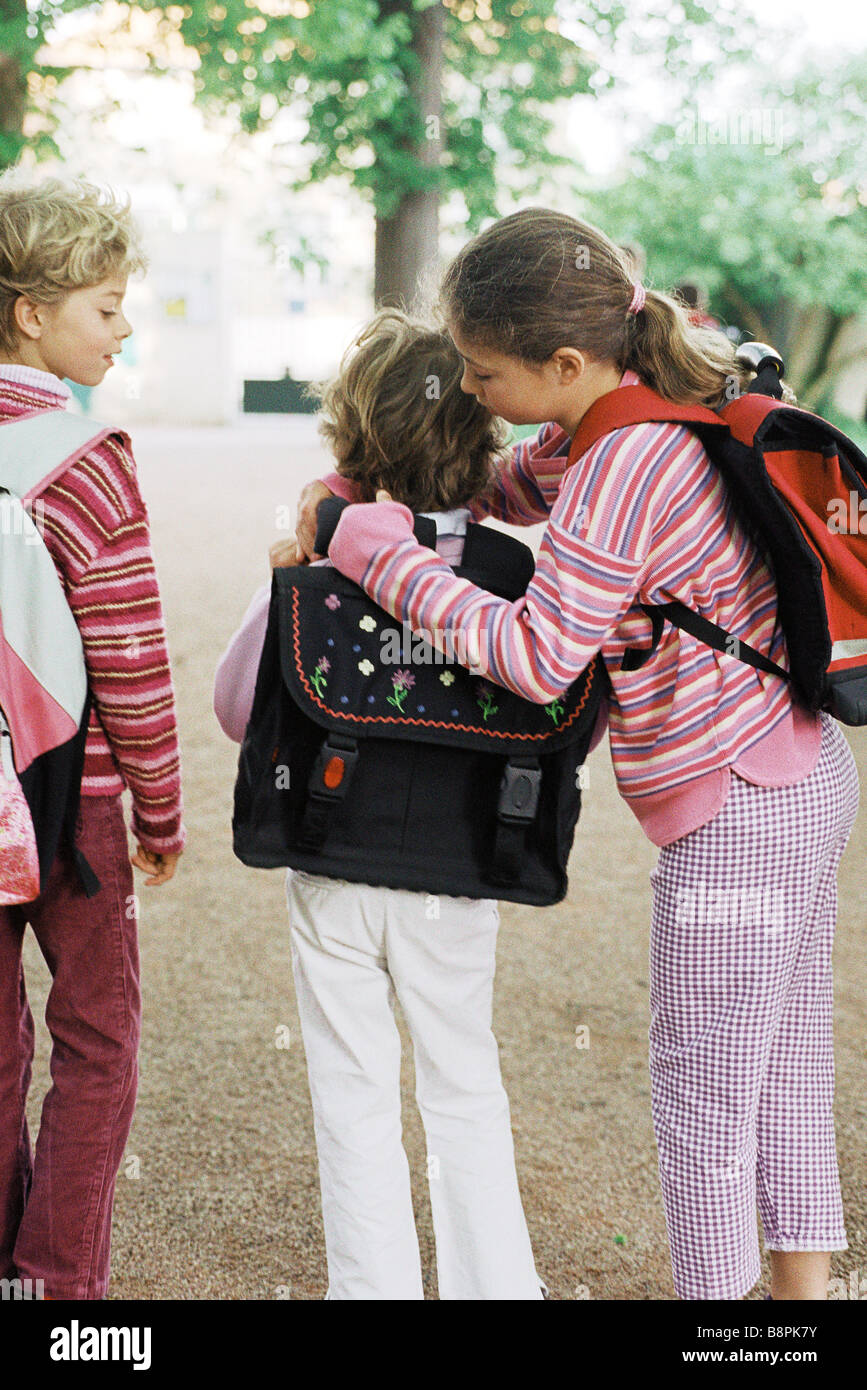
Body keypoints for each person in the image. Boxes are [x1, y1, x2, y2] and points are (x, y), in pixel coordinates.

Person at [295, 208, 860, 1303]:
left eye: (480, 371)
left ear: (562, 362)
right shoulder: (617, 428)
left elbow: (539, 655)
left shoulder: (624, 465)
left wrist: (369, 548)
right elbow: (496, 491)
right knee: (785, 1063)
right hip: (795, 778)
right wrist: (377, 487)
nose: (467, 391)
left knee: (701, 1096)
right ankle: (803, 1304)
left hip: (737, 807)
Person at [215, 308, 558, 1300]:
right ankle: (497, 1286)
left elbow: (238, 708)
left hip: (333, 849)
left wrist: (279, 585)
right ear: (481, 440)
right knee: (463, 1077)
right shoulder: (509, 576)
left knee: (352, 1087)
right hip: (460, 865)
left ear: (352, 437)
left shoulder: (317, 565)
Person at [0, 173, 185, 1300]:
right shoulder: (85, 459)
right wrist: (159, 810)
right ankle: (54, 1282)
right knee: (98, 1037)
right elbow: (131, 662)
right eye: (105, 305)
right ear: (31, 310)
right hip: (74, 803)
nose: (121, 328)